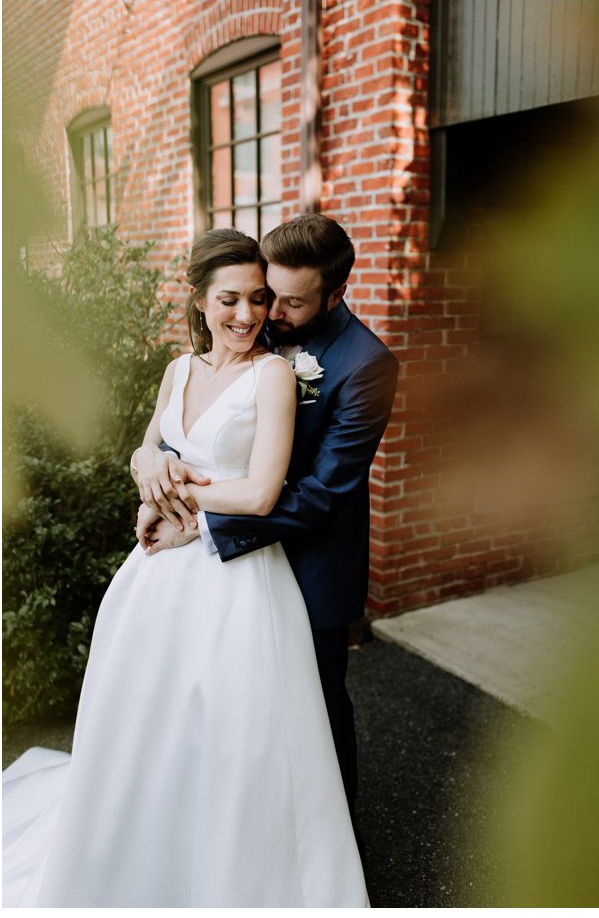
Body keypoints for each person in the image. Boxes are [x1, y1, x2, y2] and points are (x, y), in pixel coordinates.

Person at [2, 229, 368, 905]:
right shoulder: (178, 369)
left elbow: (261, 492)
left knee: (233, 739)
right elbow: (150, 446)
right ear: (198, 300)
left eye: (259, 299)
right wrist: (149, 469)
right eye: (229, 299)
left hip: (239, 580)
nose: (247, 314)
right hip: (157, 578)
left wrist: (179, 503)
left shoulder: (275, 375)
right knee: (148, 725)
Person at [133, 212, 399, 808]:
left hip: (312, 561)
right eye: (263, 294)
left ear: (336, 294)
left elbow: (324, 492)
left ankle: (333, 840)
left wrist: (201, 519)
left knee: (316, 707)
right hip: (222, 555)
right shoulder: (251, 329)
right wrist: (146, 457)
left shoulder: (367, 365)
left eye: (288, 304)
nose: (266, 316)